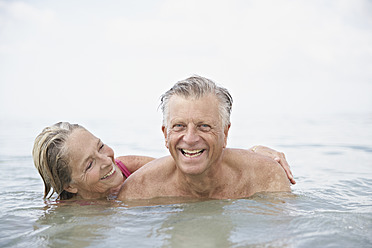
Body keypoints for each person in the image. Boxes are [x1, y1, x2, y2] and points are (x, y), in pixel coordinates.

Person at [118, 76, 293, 200]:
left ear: (225, 133)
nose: (190, 138)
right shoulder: (140, 189)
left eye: (204, 126)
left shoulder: (264, 176)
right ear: (165, 134)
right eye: (179, 126)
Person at [33, 121, 294, 201]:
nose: (106, 161)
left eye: (101, 146)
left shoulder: (130, 167)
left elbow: (190, 169)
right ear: (70, 186)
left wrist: (254, 153)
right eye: (89, 164)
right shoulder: (69, 215)